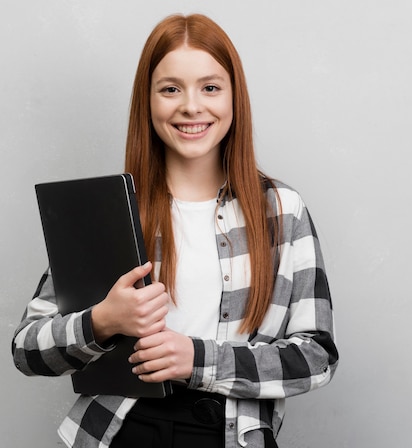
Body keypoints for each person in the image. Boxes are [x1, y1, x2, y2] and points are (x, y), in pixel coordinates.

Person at [12, 13, 338, 448]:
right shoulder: (107, 213)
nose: (191, 106)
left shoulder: (281, 210)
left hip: (227, 433)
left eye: (210, 87)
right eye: (170, 89)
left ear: (234, 97)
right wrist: (103, 321)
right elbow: (27, 349)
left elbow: (316, 357)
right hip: (118, 430)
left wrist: (197, 359)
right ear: (147, 101)